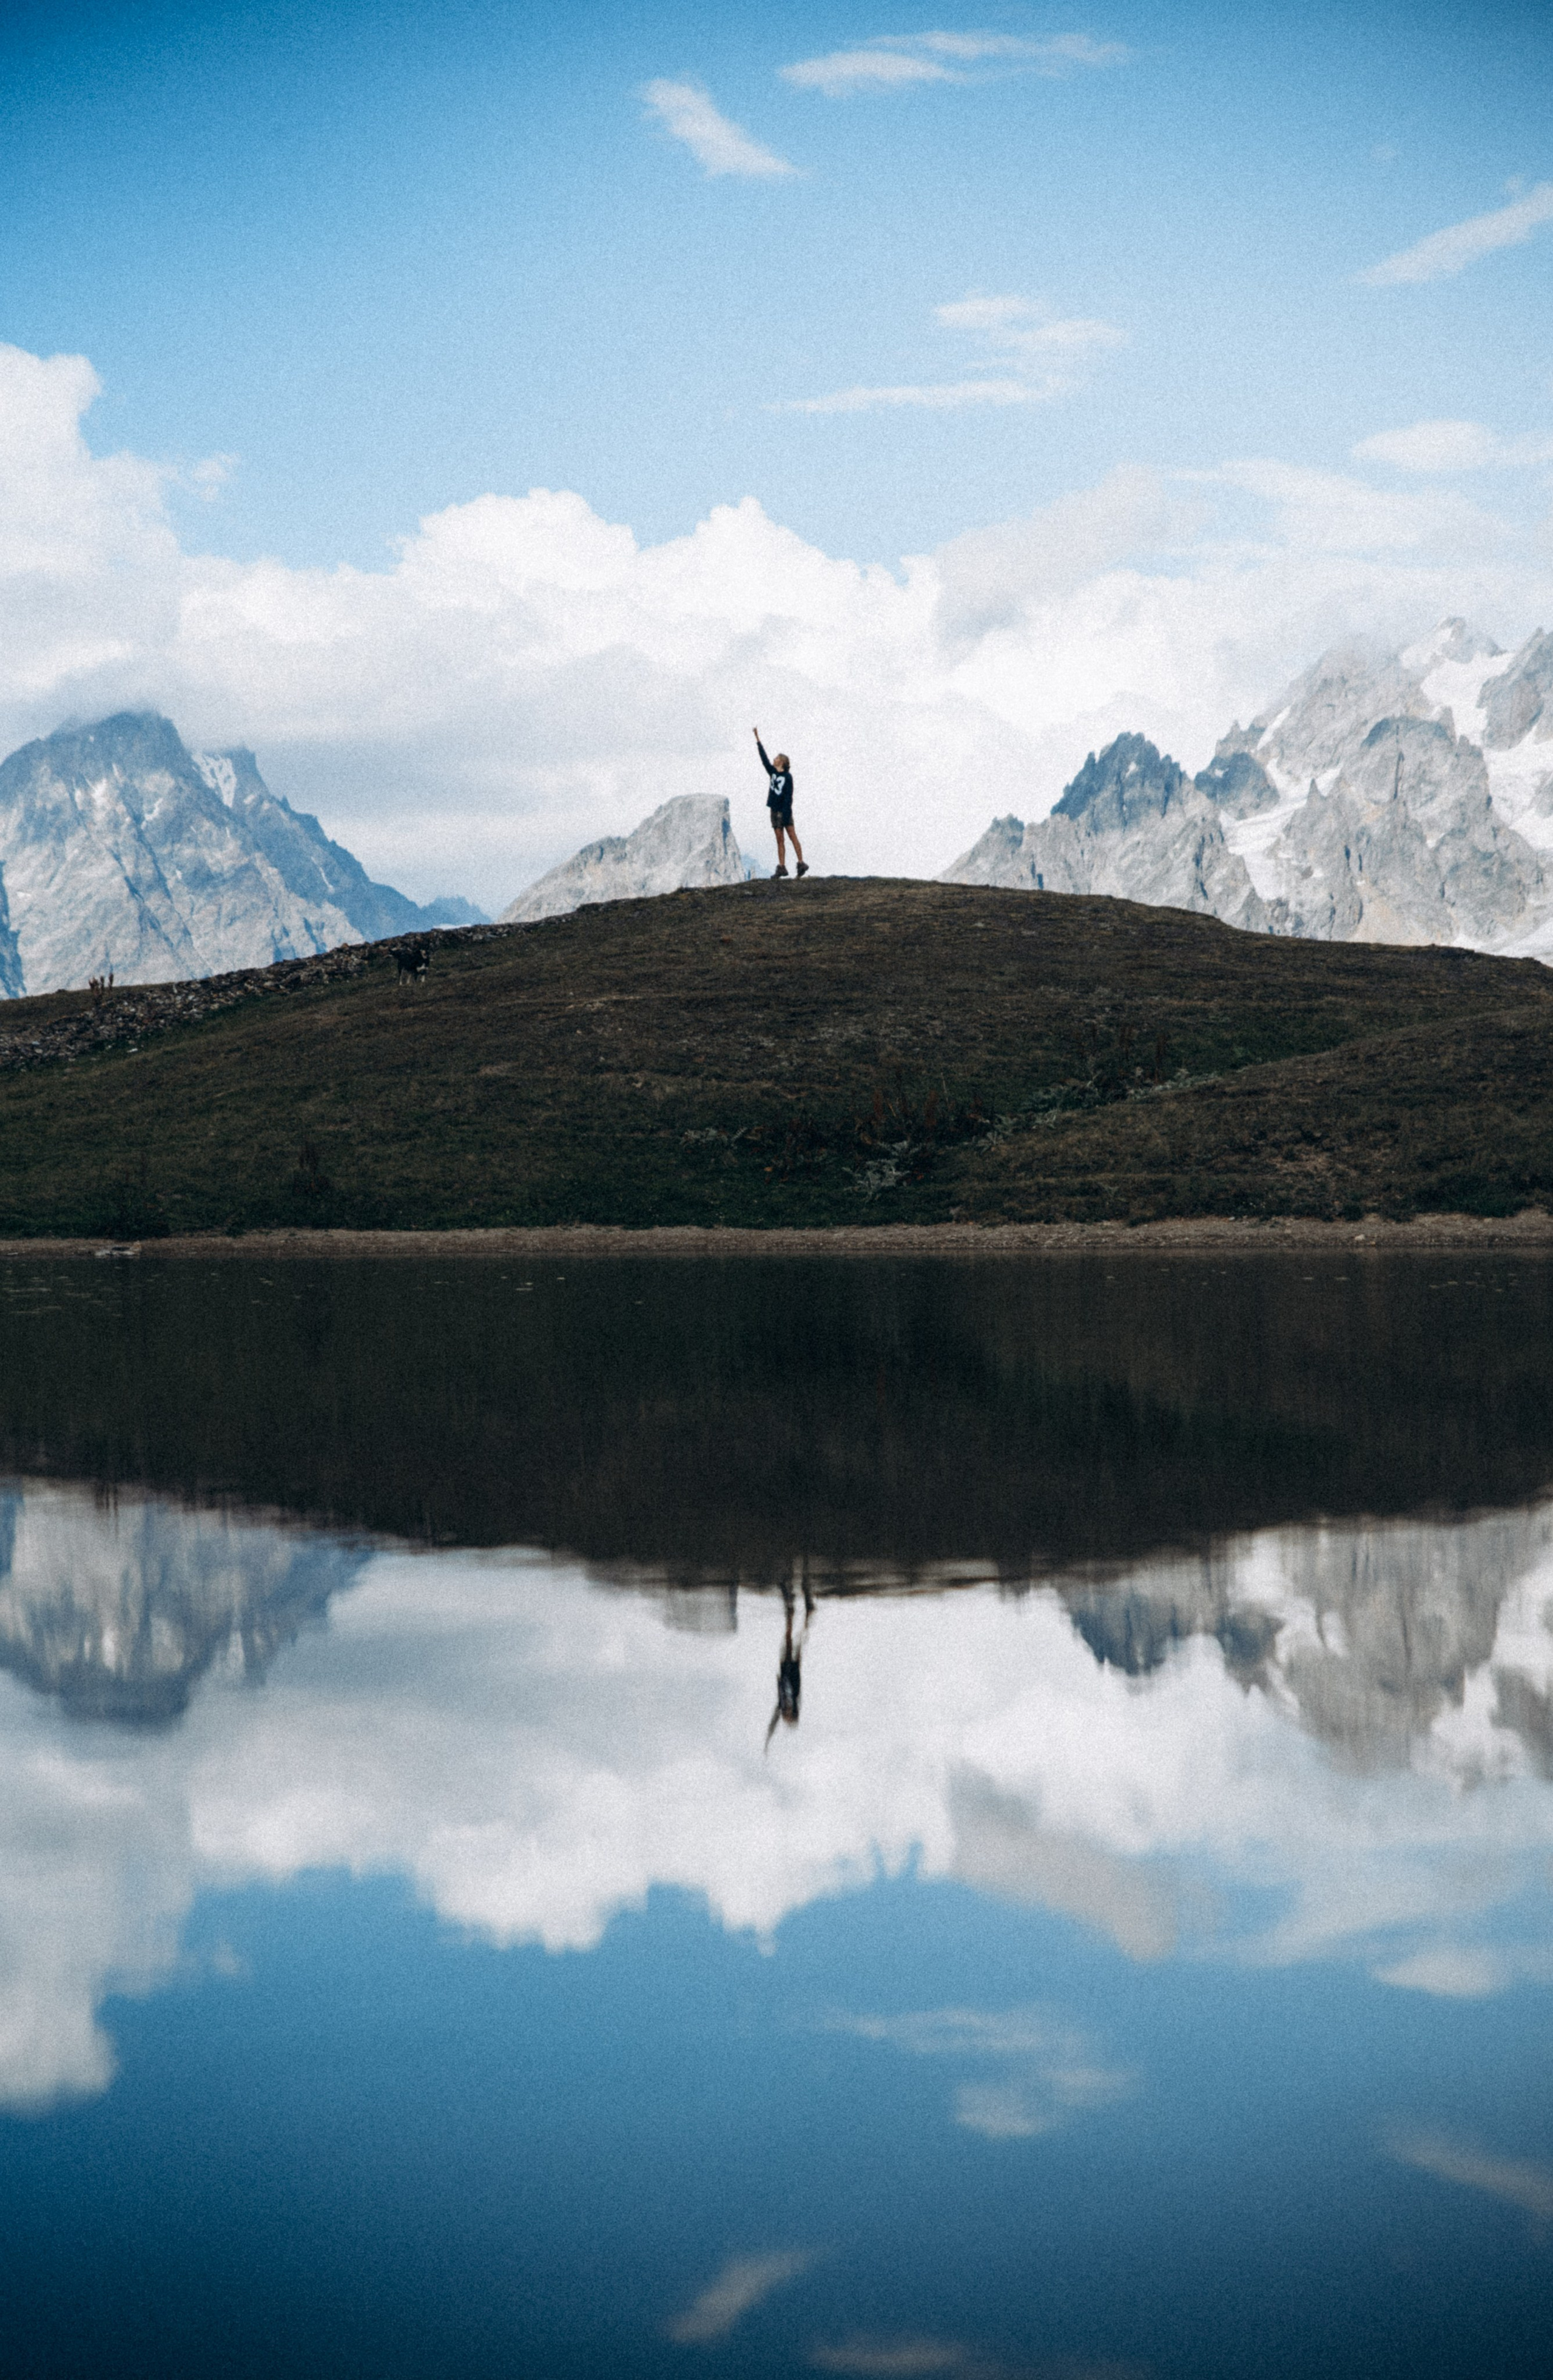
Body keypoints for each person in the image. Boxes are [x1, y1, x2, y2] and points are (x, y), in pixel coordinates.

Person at [753, 729, 807, 878]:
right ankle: (782, 867)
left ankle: (801, 863)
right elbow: (764, 760)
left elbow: (789, 797)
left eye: (777, 758)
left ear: (782, 762)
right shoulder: (773, 772)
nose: (774, 758)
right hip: (774, 810)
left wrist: (785, 813)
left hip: (784, 811)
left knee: (791, 835)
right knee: (780, 839)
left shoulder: (788, 777)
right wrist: (758, 741)